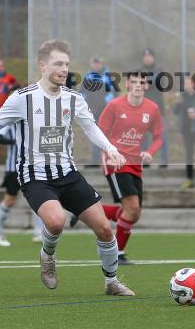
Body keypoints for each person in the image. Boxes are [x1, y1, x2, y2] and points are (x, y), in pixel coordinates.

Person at [0, 39, 135, 297]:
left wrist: (111, 149)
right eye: (57, 64)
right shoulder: (22, 99)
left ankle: (111, 282)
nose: (64, 69)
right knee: (56, 222)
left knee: (105, 229)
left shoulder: (74, 99)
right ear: (42, 65)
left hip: (68, 173)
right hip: (35, 176)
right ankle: (47, 256)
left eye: (66, 64)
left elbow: (91, 128)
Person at [69, 69, 163, 265]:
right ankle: (118, 254)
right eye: (134, 82)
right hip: (116, 161)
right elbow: (98, 132)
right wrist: (110, 153)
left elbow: (158, 137)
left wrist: (150, 152)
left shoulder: (152, 108)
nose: (138, 85)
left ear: (146, 86)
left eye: (142, 82)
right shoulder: (114, 106)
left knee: (133, 213)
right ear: (128, 84)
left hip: (135, 163)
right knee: (132, 207)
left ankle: (84, 209)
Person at [0, 122, 47, 246]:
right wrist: (15, 141)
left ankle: (38, 232)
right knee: (9, 200)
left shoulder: (35, 119)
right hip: (13, 168)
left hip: (32, 167)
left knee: (37, 198)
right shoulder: (12, 119)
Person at [81, 56, 118, 166]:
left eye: (98, 63)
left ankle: (110, 157)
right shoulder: (88, 77)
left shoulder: (108, 77)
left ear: (101, 64)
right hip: (92, 111)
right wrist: (85, 105)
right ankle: (95, 160)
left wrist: (106, 104)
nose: (96, 65)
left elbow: (114, 94)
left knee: (107, 135)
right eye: (94, 63)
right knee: (95, 134)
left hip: (106, 111)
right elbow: (82, 93)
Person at [141, 48, 168, 168]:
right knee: (143, 136)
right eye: (145, 56)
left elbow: (156, 82)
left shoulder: (159, 70)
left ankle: (164, 160)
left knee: (161, 136)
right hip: (143, 109)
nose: (147, 58)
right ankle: (146, 160)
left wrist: (145, 81)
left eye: (149, 56)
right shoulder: (140, 71)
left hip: (158, 109)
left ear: (153, 58)